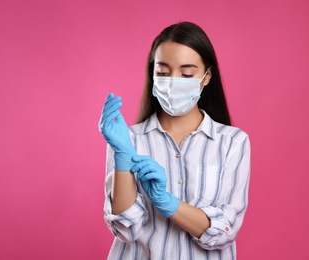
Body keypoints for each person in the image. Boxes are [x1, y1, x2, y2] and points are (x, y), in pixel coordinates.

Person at [99, 21, 251, 259]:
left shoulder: (232, 142)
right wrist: (122, 156)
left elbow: (224, 230)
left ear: (207, 76)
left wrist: (168, 202)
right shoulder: (128, 140)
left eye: (187, 73)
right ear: (153, 74)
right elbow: (125, 229)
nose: (172, 82)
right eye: (162, 72)